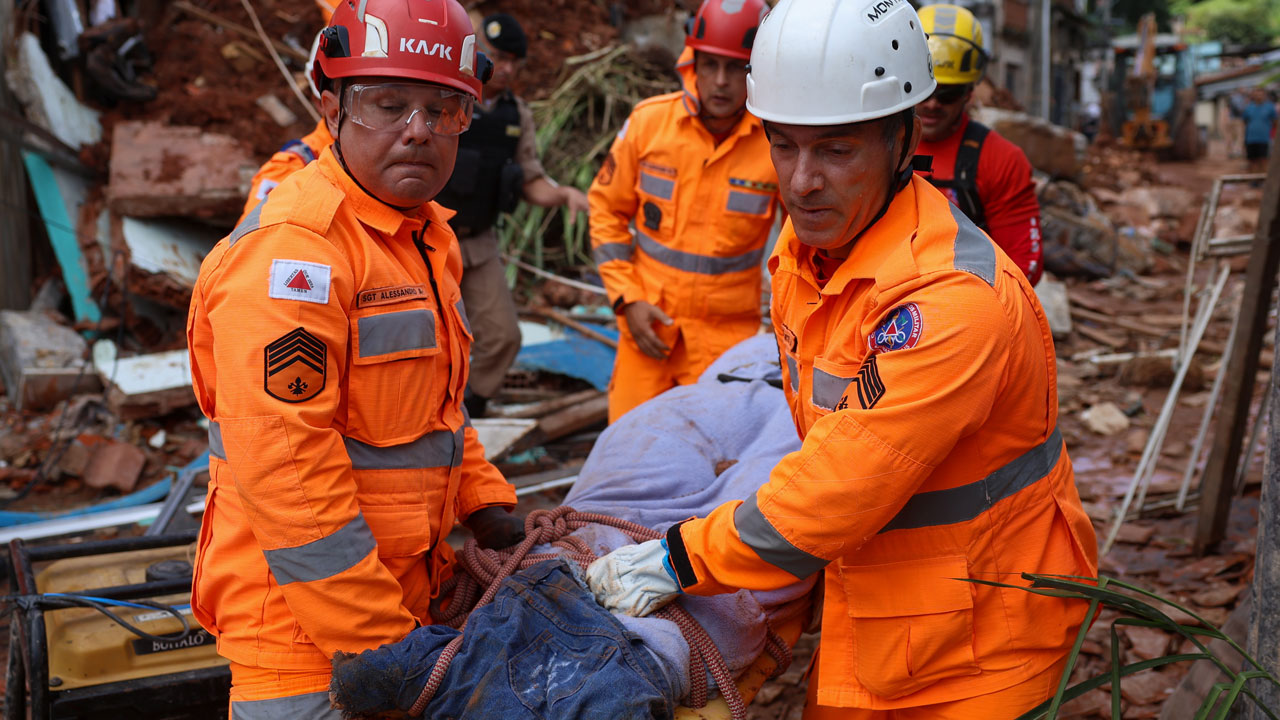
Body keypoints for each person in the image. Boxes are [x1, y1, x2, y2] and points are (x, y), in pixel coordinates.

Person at [585, 0, 1098, 717]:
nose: (800, 181)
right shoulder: (810, 258)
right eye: (783, 145)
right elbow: (822, 450)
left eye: (834, 149)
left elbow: (837, 489)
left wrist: (677, 559)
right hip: (885, 620)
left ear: (900, 138)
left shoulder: (949, 301)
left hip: (977, 649)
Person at [186, 1, 525, 715]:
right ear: (331, 108)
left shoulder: (425, 239)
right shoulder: (297, 255)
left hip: (401, 622)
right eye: (389, 104)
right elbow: (290, 479)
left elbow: (433, 414)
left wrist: (486, 504)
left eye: (444, 110)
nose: (418, 131)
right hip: (310, 649)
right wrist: (383, 648)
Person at [588, 0, 781, 423]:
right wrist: (627, 300)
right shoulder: (648, 125)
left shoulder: (778, 146)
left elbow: (802, 245)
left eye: (737, 68)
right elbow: (606, 210)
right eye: (709, 65)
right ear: (691, 59)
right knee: (628, 459)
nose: (720, 83)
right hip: (648, 330)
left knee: (714, 470)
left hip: (729, 346)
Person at [432, 13, 589, 418]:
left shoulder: (516, 116)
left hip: (479, 243)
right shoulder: (442, 97)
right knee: (428, 337)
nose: (506, 69)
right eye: (498, 57)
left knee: (502, 335)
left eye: (514, 61)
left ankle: (471, 411)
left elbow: (530, 180)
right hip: (428, 239)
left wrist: (564, 195)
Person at [914, 4, 1043, 286]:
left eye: (948, 94)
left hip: (967, 299)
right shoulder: (869, 148)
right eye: (926, 91)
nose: (933, 104)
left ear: (970, 92)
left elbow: (1024, 267)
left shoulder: (1000, 159)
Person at [1241, 88, 1278, 173]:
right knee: (1252, 160)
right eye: (1257, 94)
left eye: (1261, 94)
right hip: (1250, 139)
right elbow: (1245, 122)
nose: (1259, 96)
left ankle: (1262, 180)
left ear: (1264, 95)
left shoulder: (1270, 107)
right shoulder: (1249, 108)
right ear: (1253, 95)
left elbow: (1275, 122)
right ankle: (1253, 180)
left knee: (1264, 160)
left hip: (1264, 139)